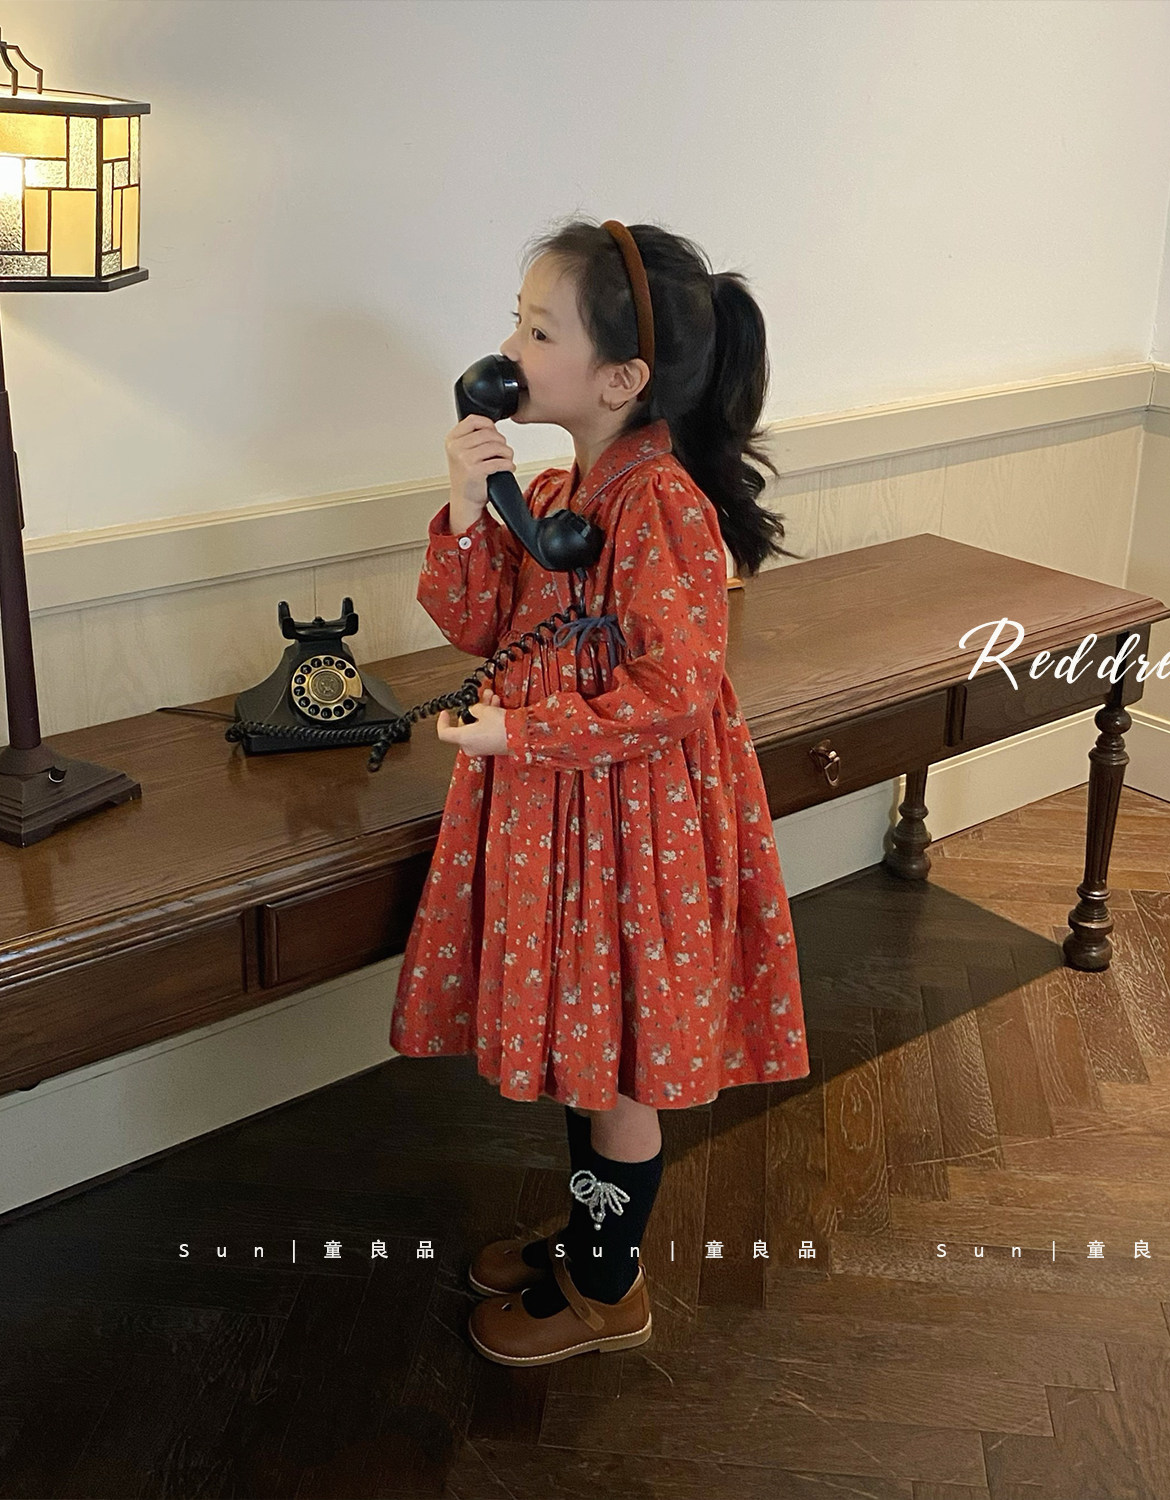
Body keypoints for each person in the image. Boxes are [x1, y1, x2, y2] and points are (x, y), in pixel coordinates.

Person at [389, 217, 810, 1366]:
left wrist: (518, 730)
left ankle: (609, 1289)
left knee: (619, 1065)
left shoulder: (659, 503)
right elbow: (482, 621)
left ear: (622, 377)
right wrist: (471, 502)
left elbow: (675, 687)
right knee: (590, 1044)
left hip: (631, 821)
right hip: (569, 810)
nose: (509, 350)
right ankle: (587, 1238)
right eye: (515, 325)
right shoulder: (563, 487)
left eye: (539, 331)